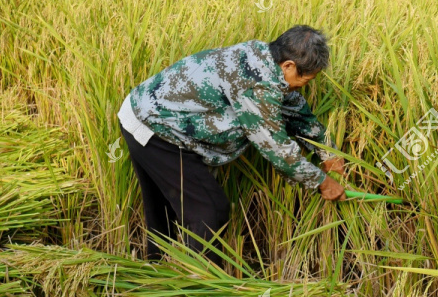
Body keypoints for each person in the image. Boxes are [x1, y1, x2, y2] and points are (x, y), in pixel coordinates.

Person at [117, 25, 346, 262]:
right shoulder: (256, 85)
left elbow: (297, 112)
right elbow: (275, 148)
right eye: (305, 79)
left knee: (164, 209)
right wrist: (321, 181)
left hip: (143, 112)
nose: (303, 86)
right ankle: (198, 287)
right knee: (210, 211)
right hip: (155, 128)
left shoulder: (264, 59)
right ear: (288, 65)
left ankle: (156, 275)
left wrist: (326, 151)